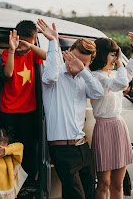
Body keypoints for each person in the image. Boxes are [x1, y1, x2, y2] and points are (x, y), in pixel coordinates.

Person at [37, 19, 104, 199]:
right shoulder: (55, 74)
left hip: (83, 146)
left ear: (88, 63)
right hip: (62, 150)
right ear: (67, 54)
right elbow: (49, 77)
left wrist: (82, 70)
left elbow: (98, 93)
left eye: (82, 62)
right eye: (72, 58)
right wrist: (52, 42)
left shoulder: (84, 78)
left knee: (90, 193)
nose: (73, 64)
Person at [89, 33, 133, 199]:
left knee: (118, 183)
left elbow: (126, 77)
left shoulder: (112, 75)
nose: (115, 58)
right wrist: (120, 62)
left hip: (118, 126)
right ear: (103, 55)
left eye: (116, 55)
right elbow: (122, 83)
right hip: (103, 127)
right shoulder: (96, 77)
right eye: (113, 55)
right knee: (103, 184)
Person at [0, 20, 46, 192]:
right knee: (9, 148)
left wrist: (31, 47)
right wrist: (12, 49)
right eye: (21, 42)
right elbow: (8, 73)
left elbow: (48, 56)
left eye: (28, 43)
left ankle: (24, 182)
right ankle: (8, 182)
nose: (23, 47)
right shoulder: (7, 53)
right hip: (8, 109)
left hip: (28, 110)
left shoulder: (32, 54)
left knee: (26, 148)